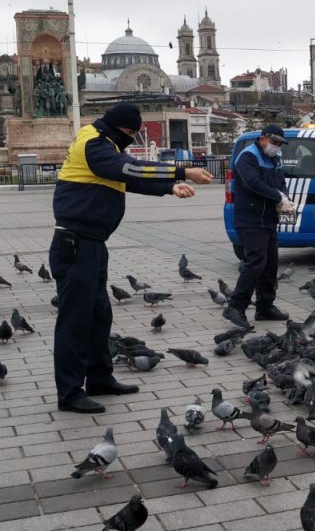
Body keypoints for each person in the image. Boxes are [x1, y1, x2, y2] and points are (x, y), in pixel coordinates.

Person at [50, 103, 213, 414]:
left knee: (99, 316)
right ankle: (70, 393)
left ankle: (99, 378)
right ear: (118, 128)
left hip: (92, 243)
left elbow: (127, 179)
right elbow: (129, 169)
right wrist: (182, 170)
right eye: (129, 133)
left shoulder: (105, 141)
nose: (131, 139)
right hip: (75, 244)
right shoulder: (94, 143)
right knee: (75, 321)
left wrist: (169, 187)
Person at [224, 124, 295, 329]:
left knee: (270, 264)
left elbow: (280, 182)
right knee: (255, 263)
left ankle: (265, 307)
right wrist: (277, 196)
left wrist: (285, 198)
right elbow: (252, 183)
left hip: (268, 219)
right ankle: (235, 307)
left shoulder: (274, 159)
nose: (276, 147)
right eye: (274, 142)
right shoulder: (248, 156)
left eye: (280, 144)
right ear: (263, 139)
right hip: (250, 218)